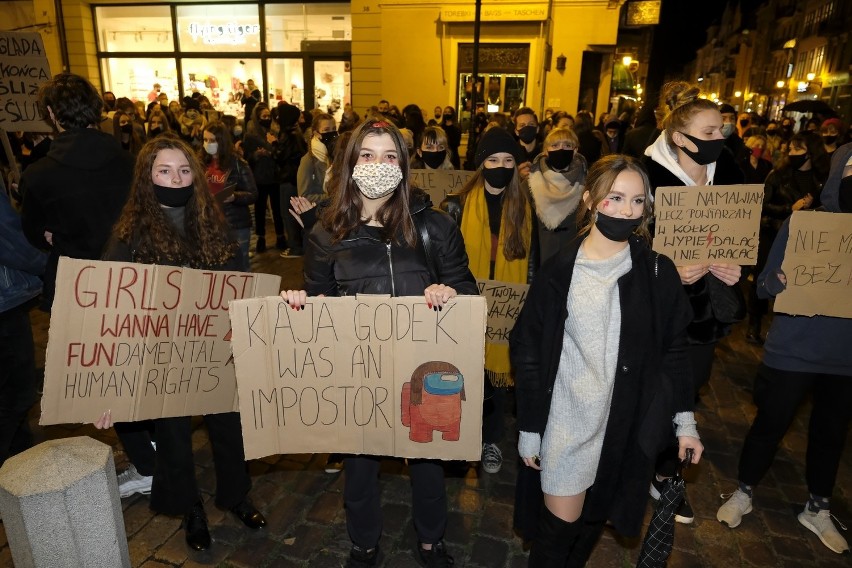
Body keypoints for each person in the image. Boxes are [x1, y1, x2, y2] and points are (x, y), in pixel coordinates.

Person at [280, 118, 477, 567]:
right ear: (350, 165)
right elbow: (319, 303)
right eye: (367, 155)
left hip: (423, 370)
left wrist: (451, 294)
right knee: (360, 469)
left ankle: (431, 540)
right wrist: (298, 305)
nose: (378, 164)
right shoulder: (326, 234)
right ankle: (363, 543)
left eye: (390, 156)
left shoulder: (436, 227)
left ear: (404, 167)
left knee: (428, 466)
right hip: (360, 374)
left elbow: (467, 290)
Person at [512, 154, 703, 566]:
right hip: (566, 423)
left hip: (622, 426)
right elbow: (527, 348)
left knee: (590, 526)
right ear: (589, 200)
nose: (627, 211)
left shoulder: (656, 271)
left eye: (637, 202)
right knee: (556, 535)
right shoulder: (559, 271)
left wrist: (685, 424)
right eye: (615, 198)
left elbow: (674, 349)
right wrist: (530, 427)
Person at [95, 135, 266, 552]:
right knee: (173, 436)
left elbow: (239, 281)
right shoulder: (129, 236)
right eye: (164, 170)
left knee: (229, 427)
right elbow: (109, 311)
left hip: (214, 351)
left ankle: (235, 494)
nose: (176, 178)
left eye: (184, 170)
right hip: (163, 360)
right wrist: (107, 384)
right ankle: (189, 505)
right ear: (147, 176)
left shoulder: (211, 223)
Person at [716, 143, 852, 555]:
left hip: (845, 359)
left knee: (831, 433)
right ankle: (743, 491)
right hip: (793, 350)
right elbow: (764, 286)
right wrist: (781, 279)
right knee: (770, 423)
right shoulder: (805, 224)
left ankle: (818, 506)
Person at [643, 81, 744, 524]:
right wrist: (665, 270)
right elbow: (624, 243)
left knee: (686, 390)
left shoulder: (734, 175)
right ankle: (643, 468)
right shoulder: (648, 178)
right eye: (708, 133)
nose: (718, 139)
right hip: (656, 310)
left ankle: (665, 471)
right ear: (680, 138)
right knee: (649, 389)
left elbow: (744, 240)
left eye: (721, 130)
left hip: (705, 315)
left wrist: (736, 268)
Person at [440, 126, 538, 475]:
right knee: (461, 377)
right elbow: (439, 259)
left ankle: (490, 441)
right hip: (463, 302)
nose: (501, 165)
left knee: (495, 384)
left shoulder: (525, 206)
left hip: (505, 309)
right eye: (493, 159)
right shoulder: (455, 205)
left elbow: (532, 265)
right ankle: (455, 441)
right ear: (481, 163)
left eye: (508, 160)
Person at [20, 73, 134, 312]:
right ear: (96, 107)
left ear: (51, 113)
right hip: (129, 281)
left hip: (73, 286)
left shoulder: (38, 174)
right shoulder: (132, 162)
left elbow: (34, 232)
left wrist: (47, 234)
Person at [746, 133, 821, 344]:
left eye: (798, 149)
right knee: (764, 277)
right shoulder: (777, 175)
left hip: (803, 240)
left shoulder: (820, 181)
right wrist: (790, 208)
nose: (792, 153)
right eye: (790, 149)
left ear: (810, 152)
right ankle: (754, 323)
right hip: (773, 234)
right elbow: (762, 204)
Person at [0, 179, 47, 467]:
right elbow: (9, 240)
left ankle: (20, 466)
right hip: (3, 305)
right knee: (17, 392)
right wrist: (48, 262)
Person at [200, 121, 258, 268]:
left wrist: (235, 197)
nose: (208, 144)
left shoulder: (238, 164)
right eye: (205, 140)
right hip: (209, 224)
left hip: (235, 224)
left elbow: (253, 194)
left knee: (240, 267)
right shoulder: (201, 163)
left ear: (221, 141)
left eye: (212, 140)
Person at [526, 127, 587, 262]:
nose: (561, 149)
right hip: (542, 254)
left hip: (575, 256)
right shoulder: (531, 181)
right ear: (546, 150)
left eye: (567, 145)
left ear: (575, 150)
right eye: (555, 145)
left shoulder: (586, 182)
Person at [244, 103, 286, 253]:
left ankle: (280, 236)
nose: (267, 119)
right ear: (257, 118)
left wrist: (271, 148)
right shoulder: (250, 136)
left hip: (275, 176)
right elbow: (246, 157)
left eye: (269, 116)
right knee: (260, 209)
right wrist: (256, 155)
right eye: (264, 116)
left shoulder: (275, 132)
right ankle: (261, 238)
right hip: (259, 177)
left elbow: (280, 153)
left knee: (277, 208)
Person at [297, 113, 337, 203]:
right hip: (319, 212)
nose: (332, 133)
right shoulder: (308, 160)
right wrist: (331, 198)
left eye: (334, 129)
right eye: (326, 130)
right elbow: (304, 195)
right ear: (316, 133)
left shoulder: (337, 154)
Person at [513, 107, 543, 177]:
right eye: (522, 125)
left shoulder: (544, 152)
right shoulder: (510, 154)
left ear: (537, 129)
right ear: (516, 132)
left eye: (531, 124)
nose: (527, 128)